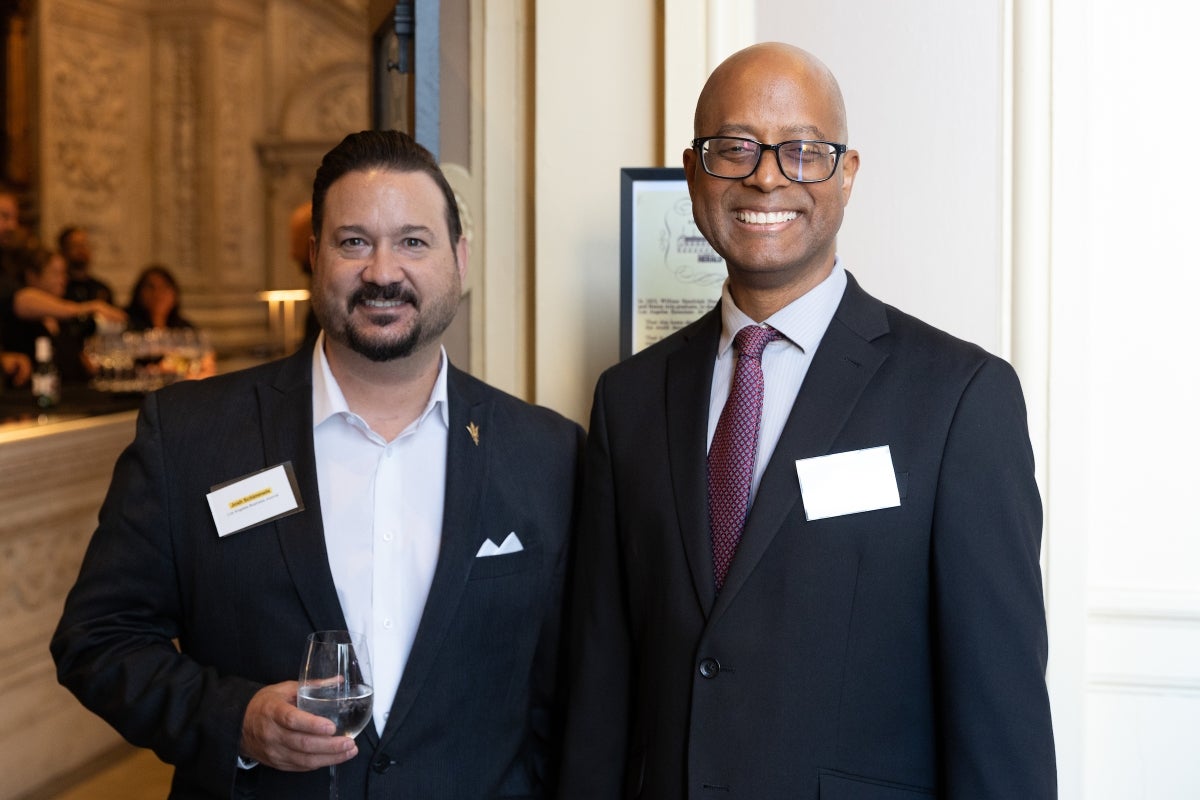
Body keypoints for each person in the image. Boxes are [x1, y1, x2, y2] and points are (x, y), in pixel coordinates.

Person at [559, 42, 1057, 799]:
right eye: (734, 149)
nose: (766, 175)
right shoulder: (627, 401)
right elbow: (601, 686)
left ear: (846, 174)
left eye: (802, 151)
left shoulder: (959, 399)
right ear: (693, 175)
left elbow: (1002, 724)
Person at [51, 130, 583, 798]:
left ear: (460, 259)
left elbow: (575, 690)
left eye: (413, 241)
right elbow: (98, 640)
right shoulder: (190, 436)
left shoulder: (546, 453)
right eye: (353, 241)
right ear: (314, 258)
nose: (383, 271)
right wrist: (234, 719)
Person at [124, 264, 195, 331]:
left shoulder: (184, 329)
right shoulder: (126, 324)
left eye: (164, 288)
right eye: (150, 287)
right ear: (139, 292)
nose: (157, 294)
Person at [58, 225, 115, 305]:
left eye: (85, 245)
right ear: (64, 250)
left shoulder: (101, 289)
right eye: (76, 245)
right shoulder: (59, 287)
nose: (82, 250)